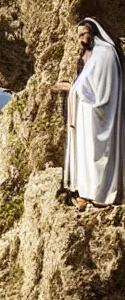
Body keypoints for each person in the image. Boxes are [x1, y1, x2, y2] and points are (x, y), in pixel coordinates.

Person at [52, 18, 125, 211]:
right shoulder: (94, 55)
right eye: (80, 35)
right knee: (87, 153)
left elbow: (101, 92)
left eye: (85, 34)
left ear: (95, 32)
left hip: (101, 115)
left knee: (99, 154)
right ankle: (87, 192)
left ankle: (101, 193)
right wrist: (74, 88)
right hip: (89, 113)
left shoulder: (105, 54)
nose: (83, 39)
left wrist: (71, 88)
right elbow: (89, 84)